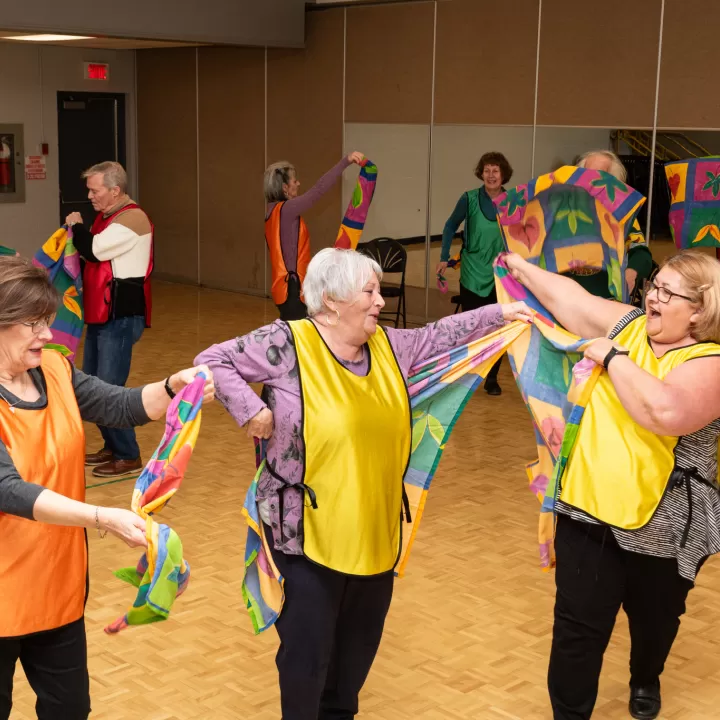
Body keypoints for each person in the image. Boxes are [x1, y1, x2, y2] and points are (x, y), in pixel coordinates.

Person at [196, 248, 531, 719]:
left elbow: (441, 333)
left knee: (352, 666)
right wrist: (251, 411)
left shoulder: (391, 346)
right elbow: (212, 361)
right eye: (369, 292)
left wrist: (500, 313)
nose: (380, 301)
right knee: (307, 661)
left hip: (375, 533)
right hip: (302, 538)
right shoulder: (286, 343)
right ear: (331, 301)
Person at [505, 249, 720, 720]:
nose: (652, 297)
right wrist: (521, 266)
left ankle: (646, 675)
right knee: (576, 629)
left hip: (664, 524)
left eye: (667, 292)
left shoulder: (711, 361)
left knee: (655, 622)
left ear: (700, 309)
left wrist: (613, 357)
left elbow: (665, 413)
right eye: (653, 285)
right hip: (587, 506)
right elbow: (572, 299)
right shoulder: (630, 323)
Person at [0, 255, 214, 720]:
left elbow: (121, 405)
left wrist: (174, 386)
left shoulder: (54, 370)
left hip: (56, 586)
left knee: (69, 710)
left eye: (48, 322)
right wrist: (103, 516)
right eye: (34, 324)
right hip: (1, 592)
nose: (48, 335)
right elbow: (9, 490)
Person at [65, 161, 153, 479]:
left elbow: (94, 250)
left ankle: (128, 454)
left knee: (108, 388)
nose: (89, 195)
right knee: (92, 383)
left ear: (115, 190)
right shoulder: (108, 217)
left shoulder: (132, 218)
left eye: (95, 189)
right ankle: (113, 446)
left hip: (120, 315)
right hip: (104, 314)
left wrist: (76, 226)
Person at [436, 151, 513, 395]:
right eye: (487, 170)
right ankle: (466, 374)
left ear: (503, 175)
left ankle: (491, 378)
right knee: (470, 326)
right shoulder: (468, 199)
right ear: (481, 173)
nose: (491, 175)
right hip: (471, 270)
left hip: (499, 274)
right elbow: (450, 226)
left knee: (497, 326)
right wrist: (443, 257)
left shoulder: (512, 202)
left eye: (495, 170)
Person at [264, 152, 365, 321]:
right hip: (292, 291)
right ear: (285, 188)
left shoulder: (271, 211)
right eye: (294, 181)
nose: (298, 183)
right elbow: (318, 190)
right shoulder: (287, 210)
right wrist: (345, 161)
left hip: (285, 290)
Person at [571, 150, 655, 302]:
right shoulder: (563, 210)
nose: (591, 181)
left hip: (607, 301)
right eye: (586, 174)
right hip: (565, 299)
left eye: (600, 176)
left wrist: (631, 272)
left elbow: (641, 254)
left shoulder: (623, 215)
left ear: (614, 183)